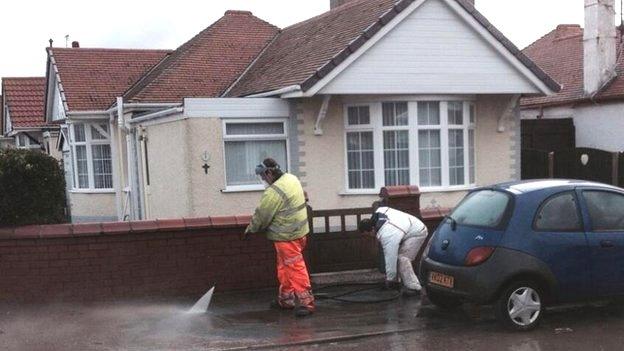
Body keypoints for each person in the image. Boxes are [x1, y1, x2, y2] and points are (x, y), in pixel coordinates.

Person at [244, 158, 315, 317]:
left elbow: (262, 216)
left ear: (269, 172)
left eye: (263, 175)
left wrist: (250, 230)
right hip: (300, 233)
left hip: (286, 237)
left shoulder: (273, 192)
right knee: (285, 267)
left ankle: (306, 303)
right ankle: (286, 299)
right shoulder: (292, 178)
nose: (263, 179)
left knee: (295, 268)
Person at [358, 206, 428, 295]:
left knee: (402, 258)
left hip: (417, 232)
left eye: (367, 235)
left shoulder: (388, 234)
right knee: (398, 256)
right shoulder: (380, 211)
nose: (369, 237)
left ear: (372, 229)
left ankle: (414, 288)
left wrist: (390, 279)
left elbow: (390, 256)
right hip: (407, 228)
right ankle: (398, 282)